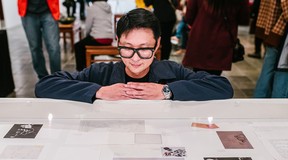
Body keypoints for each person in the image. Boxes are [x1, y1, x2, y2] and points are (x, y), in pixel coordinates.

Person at [35, 8, 234, 104]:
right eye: (127, 48)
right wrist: (99, 92)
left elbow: (222, 87)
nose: (136, 58)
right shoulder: (101, 72)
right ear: (117, 43)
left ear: (157, 45)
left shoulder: (171, 70)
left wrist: (166, 91)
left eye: (144, 48)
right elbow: (45, 85)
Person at [182, 0, 250, 76]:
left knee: (197, 76)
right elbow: (244, 19)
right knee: (214, 77)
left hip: (200, 38)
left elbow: (189, 17)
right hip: (223, 40)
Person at [18, 0, 61, 79]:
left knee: (54, 47)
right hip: (28, 13)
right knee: (35, 47)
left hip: (49, 10)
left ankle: (56, 79)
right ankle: (43, 78)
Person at [253, 0, 288, 98]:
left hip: (273, 31)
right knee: (280, 72)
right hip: (279, 33)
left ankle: (258, 102)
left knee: (268, 71)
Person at [74, 0, 113, 71]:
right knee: (86, 43)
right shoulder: (108, 7)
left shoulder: (92, 8)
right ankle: (90, 67)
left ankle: (81, 71)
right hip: (110, 38)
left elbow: (88, 26)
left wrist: (86, 36)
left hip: (98, 38)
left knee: (78, 46)